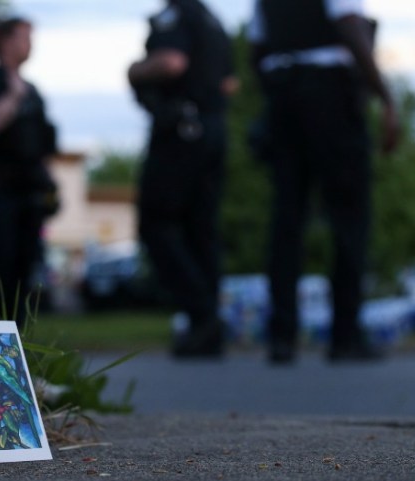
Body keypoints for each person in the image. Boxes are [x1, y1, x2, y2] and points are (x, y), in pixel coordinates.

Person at [247, 0, 400, 363]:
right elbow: (349, 23)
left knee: (287, 217)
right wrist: (386, 97)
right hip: (329, 94)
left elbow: (257, 48)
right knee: (349, 215)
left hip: (283, 92)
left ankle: (282, 337)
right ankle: (345, 336)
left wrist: (275, 92)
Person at [127, 0, 236, 358]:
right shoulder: (214, 22)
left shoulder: (176, 16)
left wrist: (135, 70)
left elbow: (172, 61)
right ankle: (207, 328)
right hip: (213, 128)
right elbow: (230, 84)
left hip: (180, 130)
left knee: (156, 223)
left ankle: (202, 315)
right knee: (200, 228)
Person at [0, 16, 59, 321]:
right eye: (23, 37)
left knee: (24, 268)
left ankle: (16, 336)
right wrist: (13, 95)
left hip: (29, 195)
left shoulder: (34, 92)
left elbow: (44, 146)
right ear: (5, 40)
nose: (29, 44)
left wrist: (50, 185)